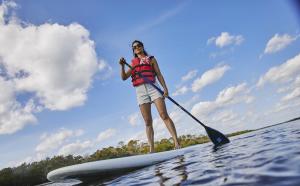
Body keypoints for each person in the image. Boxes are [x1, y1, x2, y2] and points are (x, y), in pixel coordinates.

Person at [119, 40, 181, 153]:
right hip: (140, 91)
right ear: (133, 50)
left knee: (163, 115)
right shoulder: (133, 63)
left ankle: (176, 142)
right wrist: (122, 66)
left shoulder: (151, 59)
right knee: (147, 121)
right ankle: (152, 149)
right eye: (134, 47)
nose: (137, 48)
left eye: (138, 46)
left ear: (142, 47)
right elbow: (124, 78)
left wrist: (165, 89)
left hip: (153, 87)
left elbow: (159, 74)